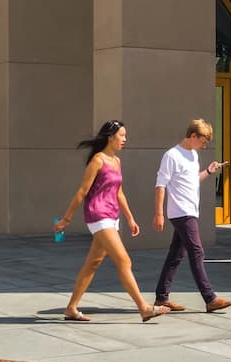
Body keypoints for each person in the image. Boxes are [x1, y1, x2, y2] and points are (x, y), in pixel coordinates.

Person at [52, 121, 166, 324]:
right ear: (110, 137)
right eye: (121, 135)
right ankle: (144, 308)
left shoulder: (116, 161)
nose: (125, 139)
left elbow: (119, 192)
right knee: (124, 261)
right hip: (98, 215)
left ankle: (71, 308)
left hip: (112, 217)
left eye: (125, 135)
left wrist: (130, 218)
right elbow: (82, 191)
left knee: (92, 263)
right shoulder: (98, 160)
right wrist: (66, 219)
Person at [151, 119, 231, 315]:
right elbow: (160, 185)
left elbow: (192, 181)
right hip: (181, 212)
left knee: (176, 255)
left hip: (189, 211)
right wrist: (159, 213)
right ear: (193, 136)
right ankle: (210, 298)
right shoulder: (172, 155)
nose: (204, 146)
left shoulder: (193, 155)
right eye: (203, 141)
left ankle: (162, 297)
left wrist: (209, 171)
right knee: (196, 252)